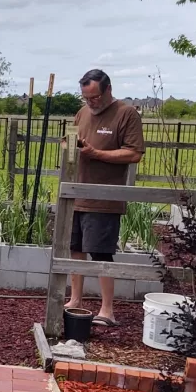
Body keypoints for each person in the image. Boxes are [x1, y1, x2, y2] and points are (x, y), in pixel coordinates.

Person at [63, 69, 145, 327]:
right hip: (77, 193)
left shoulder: (126, 113)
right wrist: (68, 145)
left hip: (104, 198)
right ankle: (75, 299)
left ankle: (107, 310)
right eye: (86, 98)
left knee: (100, 253)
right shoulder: (82, 113)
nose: (91, 103)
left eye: (95, 97)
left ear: (108, 90)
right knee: (75, 249)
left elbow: (134, 154)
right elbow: (74, 141)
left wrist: (97, 153)